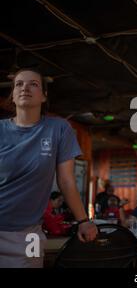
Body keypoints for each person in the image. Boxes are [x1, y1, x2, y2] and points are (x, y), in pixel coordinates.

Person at [0, 68, 97, 268]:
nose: (25, 88)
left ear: (44, 96)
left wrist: (83, 220)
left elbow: (66, 180)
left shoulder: (59, 128)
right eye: (19, 84)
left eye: (33, 84)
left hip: (30, 233)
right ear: (13, 95)